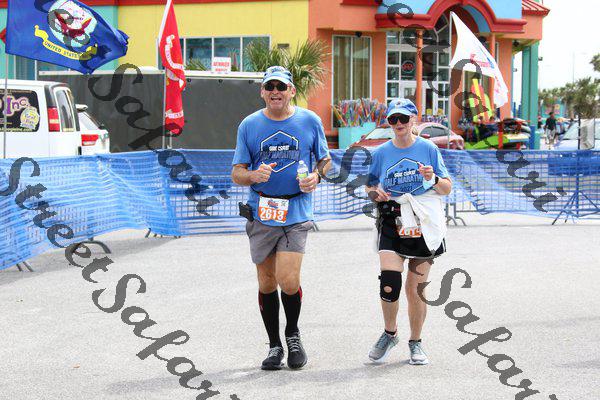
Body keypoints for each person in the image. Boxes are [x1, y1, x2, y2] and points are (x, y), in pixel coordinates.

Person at [231, 66, 331, 371]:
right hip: (262, 211)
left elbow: (325, 160)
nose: (276, 92)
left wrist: (316, 176)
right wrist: (252, 175)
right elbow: (236, 173)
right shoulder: (249, 125)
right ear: (263, 92)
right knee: (266, 281)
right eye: (270, 87)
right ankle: (274, 345)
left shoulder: (309, 121)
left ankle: (293, 335)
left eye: (281, 87)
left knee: (288, 280)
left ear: (292, 91)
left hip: (296, 210)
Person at [365, 98, 452, 365]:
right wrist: (375, 194)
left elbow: (446, 188)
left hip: (423, 219)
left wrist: (432, 178)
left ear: (413, 119)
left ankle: (416, 342)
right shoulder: (381, 153)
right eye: (393, 119)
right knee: (389, 281)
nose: (399, 123)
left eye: (404, 118)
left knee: (415, 289)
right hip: (392, 218)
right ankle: (390, 333)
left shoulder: (428, 148)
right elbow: (370, 186)